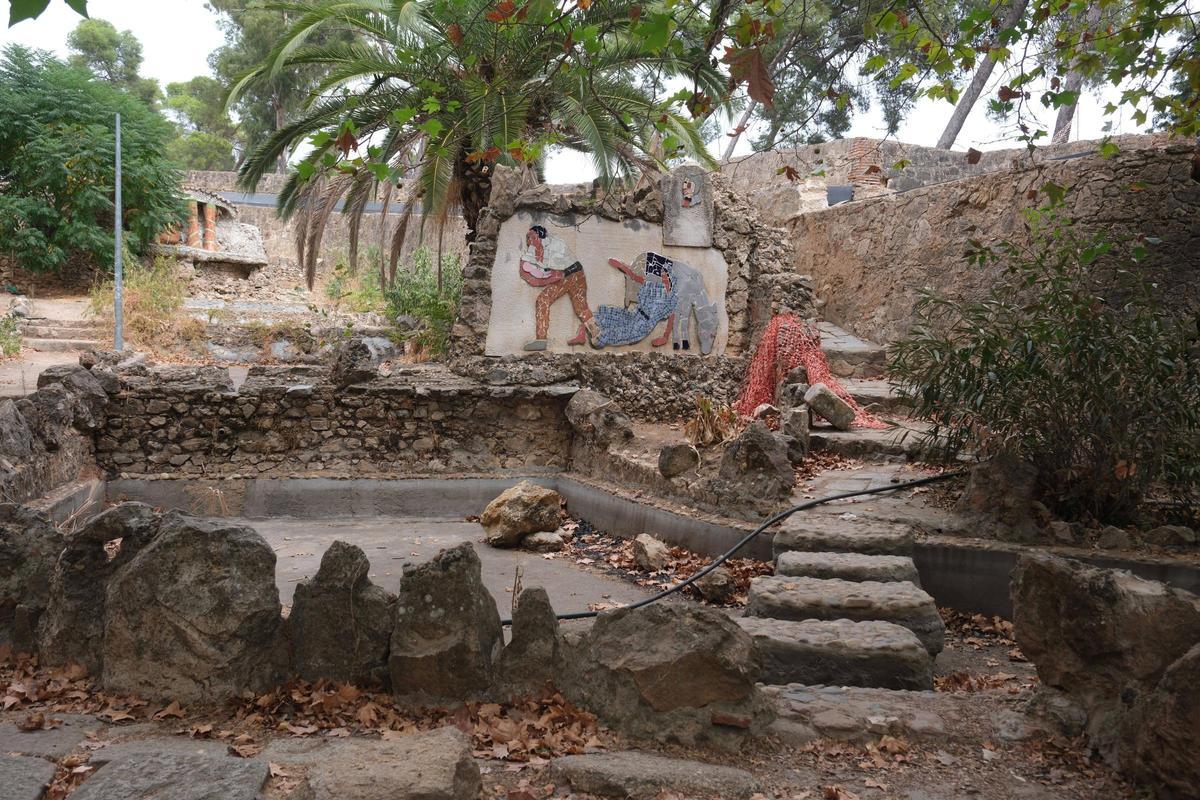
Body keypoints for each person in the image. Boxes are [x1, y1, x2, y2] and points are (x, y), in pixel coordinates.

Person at [518, 225, 599, 350]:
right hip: (571, 274)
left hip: (570, 273)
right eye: (528, 238)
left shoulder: (555, 244)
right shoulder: (535, 249)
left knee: (543, 300)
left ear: (540, 236)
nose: (529, 241)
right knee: (581, 308)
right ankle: (596, 334)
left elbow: (554, 268)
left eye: (532, 237)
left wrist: (543, 272)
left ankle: (541, 339)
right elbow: (528, 263)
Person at [593, 252, 679, 348]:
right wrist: (620, 266)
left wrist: (665, 338)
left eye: (666, 275)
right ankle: (586, 329)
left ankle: (598, 339)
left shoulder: (671, 300)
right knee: (607, 313)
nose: (663, 276)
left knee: (613, 334)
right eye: (662, 273)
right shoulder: (654, 285)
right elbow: (634, 277)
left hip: (643, 326)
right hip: (634, 314)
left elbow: (672, 318)